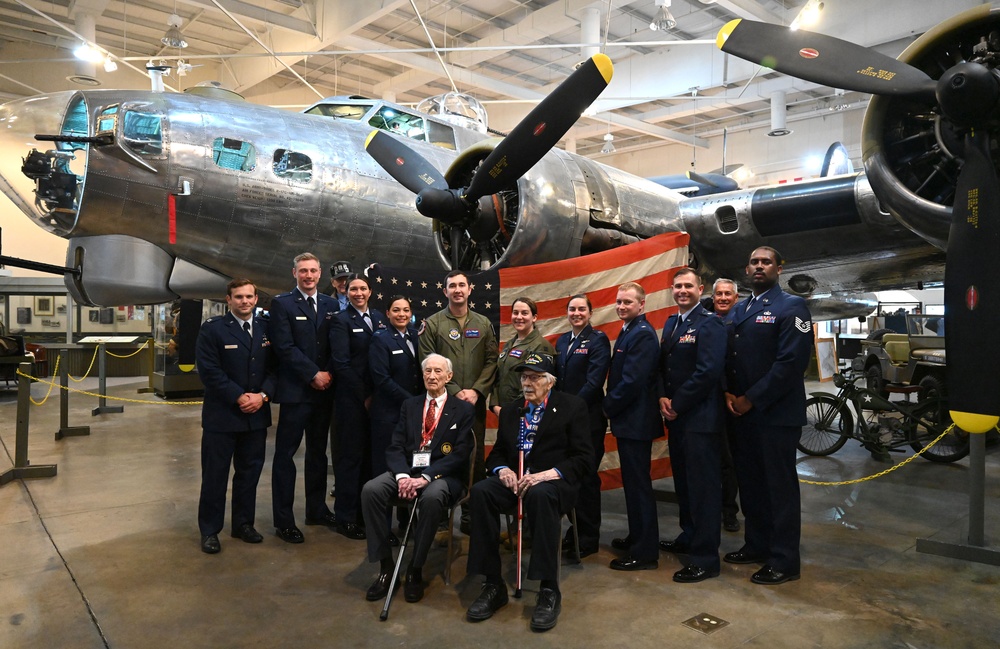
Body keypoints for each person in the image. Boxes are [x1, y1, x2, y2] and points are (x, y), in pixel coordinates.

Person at [465, 352, 591, 632]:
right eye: (524, 377)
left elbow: (583, 458)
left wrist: (545, 475)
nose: (527, 383)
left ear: (549, 382)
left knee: (539, 494)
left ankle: (548, 588)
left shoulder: (572, 407)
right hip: (517, 480)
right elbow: (497, 454)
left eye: (534, 377)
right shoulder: (512, 410)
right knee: (482, 492)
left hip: (552, 482)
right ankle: (492, 583)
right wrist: (503, 471)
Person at [724, 246, 813, 585]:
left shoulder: (792, 307)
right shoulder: (741, 308)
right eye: (754, 262)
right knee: (751, 485)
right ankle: (757, 544)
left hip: (775, 414)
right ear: (747, 269)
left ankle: (785, 559)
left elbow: (791, 364)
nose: (759, 266)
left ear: (779, 267)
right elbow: (730, 358)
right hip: (741, 412)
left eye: (766, 262)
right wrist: (729, 393)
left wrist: (751, 399)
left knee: (779, 489)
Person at [360, 354, 474, 604]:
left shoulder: (463, 410)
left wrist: (426, 477)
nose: (432, 376)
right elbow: (396, 446)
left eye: (438, 372)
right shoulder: (410, 406)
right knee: (371, 490)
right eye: (428, 372)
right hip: (407, 472)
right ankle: (386, 566)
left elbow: (460, 454)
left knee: (432, 498)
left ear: (449, 377)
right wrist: (402, 477)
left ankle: (415, 567)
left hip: (444, 475)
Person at [195, 278, 276, 554]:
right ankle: (209, 530)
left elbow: (276, 369)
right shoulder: (214, 330)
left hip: (256, 415)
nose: (245, 301)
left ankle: (243, 524)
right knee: (215, 476)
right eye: (238, 297)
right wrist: (238, 396)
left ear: (256, 299)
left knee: (249, 474)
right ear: (228, 300)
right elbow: (209, 370)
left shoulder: (267, 329)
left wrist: (263, 396)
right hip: (223, 416)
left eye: (249, 296)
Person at [657, 268, 727, 583]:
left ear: (701, 289)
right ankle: (689, 535)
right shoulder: (672, 323)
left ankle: (706, 557)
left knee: (703, 490)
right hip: (677, 417)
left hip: (700, 419)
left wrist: (677, 403)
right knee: (684, 485)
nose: (683, 290)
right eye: (678, 286)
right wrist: (662, 397)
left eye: (689, 286)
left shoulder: (710, 323)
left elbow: (708, 371)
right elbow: (664, 366)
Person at [418, 270, 498, 532]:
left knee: (474, 459)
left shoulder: (483, 323)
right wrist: (454, 390)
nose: (457, 290)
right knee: (439, 456)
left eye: (462, 285)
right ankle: (439, 517)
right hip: (442, 405)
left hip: (474, 406)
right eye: (452, 286)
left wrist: (475, 391)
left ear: (470, 289)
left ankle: (470, 517)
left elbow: (491, 361)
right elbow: (428, 364)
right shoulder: (433, 324)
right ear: (445, 291)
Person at [268, 253, 338, 543]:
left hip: (324, 392)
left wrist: (329, 373)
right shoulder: (282, 304)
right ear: (294, 273)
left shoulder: (332, 305)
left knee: (318, 454)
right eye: (302, 271)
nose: (308, 276)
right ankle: (284, 521)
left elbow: (338, 344)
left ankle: (316, 509)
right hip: (297, 393)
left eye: (312, 270)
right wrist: (313, 374)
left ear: (320, 273)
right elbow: (284, 347)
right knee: (285, 456)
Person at [604, 282, 662, 571]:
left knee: (639, 486)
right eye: (619, 302)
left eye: (628, 302)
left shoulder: (642, 335)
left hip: (636, 421)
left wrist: (606, 407)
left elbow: (632, 382)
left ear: (642, 304)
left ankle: (645, 552)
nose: (622, 306)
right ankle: (638, 536)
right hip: (629, 421)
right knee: (633, 484)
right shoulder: (629, 330)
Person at [330, 273, 388, 539]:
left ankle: (365, 514)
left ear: (370, 291)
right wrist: (365, 395)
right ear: (346, 292)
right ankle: (346, 517)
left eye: (363, 289)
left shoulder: (378, 318)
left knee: (369, 459)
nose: (358, 293)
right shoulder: (341, 321)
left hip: (375, 401)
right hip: (351, 401)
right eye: (353, 289)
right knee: (349, 459)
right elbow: (341, 364)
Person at [554, 294, 611, 558]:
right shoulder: (563, 341)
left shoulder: (597, 340)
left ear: (590, 313)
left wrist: (569, 411)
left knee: (587, 479)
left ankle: (588, 538)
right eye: (572, 309)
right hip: (565, 423)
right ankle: (573, 533)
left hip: (588, 419)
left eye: (581, 309)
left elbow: (594, 381)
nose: (576, 313)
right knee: (571, 478)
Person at [369, 295, 422, 478]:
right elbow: (382, 379)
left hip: (413, 415)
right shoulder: (381, 339)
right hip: (388, 414)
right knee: (385, 469)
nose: (402, 314)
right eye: (396, 310)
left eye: (406, 310)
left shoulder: (417, 336)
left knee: (408, 468)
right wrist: (412, 401)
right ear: (387, 313)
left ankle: (404, 507)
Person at [490, 297, 556, 417]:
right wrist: (494, 405)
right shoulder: (508, 345)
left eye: (524, 313)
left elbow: (538, 385)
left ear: (534, 317)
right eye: (515, 313)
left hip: (525, 412)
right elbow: (498, 376)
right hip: (503, 411)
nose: (519, 317)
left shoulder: (541, 346)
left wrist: (513, 410)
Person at [713, 278, 742, 534]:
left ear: (736, 297)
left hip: (734, 401)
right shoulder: (707, 322)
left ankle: (729, 511)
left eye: (727, 294)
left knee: (729, 460)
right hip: (711, 399)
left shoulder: (742, 322)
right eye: (719, 294)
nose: (723, 298)